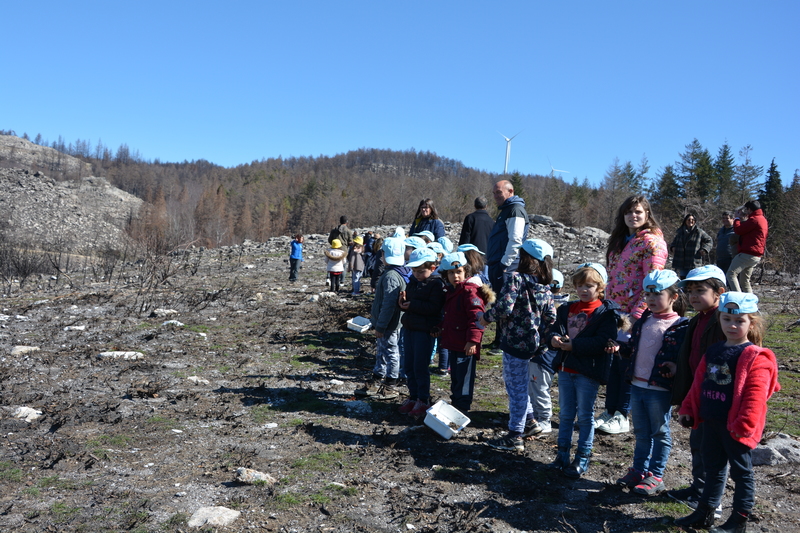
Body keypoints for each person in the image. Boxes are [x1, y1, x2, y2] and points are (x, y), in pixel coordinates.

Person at [675, 292, 780, 533]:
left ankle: (739, 520)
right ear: (719, 319)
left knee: (742, 473)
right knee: (713, 468)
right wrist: (688, 407)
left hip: (736, 427)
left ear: (750, 323)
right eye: (726, 319)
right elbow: (699, 383)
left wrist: (744, 425)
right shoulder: (714, 351)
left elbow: (756, 395)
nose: (732, 325)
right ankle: (705, 512)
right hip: (711, 421)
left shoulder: (756, 357)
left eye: (739, 321)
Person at [596, 195, 668, 435]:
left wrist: (637, 315)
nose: (633, 216)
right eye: (629, 212)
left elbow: (652, 283)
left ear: (647, 214)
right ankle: (609, 410)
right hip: (614, 310)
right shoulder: (620, 240)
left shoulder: (651, 243)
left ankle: (622, 415)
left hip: (634, 315)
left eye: (638, 212)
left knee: (627, 364)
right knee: (613, 363)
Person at [613, 270, 689, 496]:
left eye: (658, 295)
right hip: (637, 384)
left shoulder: (681, 325)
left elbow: (682, 359)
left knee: (659, 431)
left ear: (674, 297)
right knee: (642, 431)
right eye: (648, 295)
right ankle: (639, 470)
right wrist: (619, 348)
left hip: (659, 389)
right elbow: (633, 349)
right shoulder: (643, 321)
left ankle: (656, 475)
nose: (652, 300)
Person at [480, 239, 556, 452]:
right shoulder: (545, 285)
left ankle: (515, 436)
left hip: (515, 343)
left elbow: (504, 307)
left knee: (516, 389)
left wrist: (486, 317)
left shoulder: (515, 278)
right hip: (535, 345)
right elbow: (551, 317)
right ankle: (530, 422)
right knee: (522, 385)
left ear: (525, 257)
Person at [548, 263, 621, 478]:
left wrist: (574, 346)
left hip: (587, 372)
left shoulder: (605, 313)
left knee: (586, 416)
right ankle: (562, 455)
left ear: (600, 287)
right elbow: (553, 329)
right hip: (565, 367)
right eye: (579, 285)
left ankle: (582, 457)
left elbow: (602, 341)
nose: (583, 290)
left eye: (589, 285)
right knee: (566, 414)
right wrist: (552, 338)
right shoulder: (566, 309)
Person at [667, 265, 727, 517]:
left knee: (713, 450)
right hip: (695, 393)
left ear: (719, 292)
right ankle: (697, 488)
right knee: (697, 444)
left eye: (700, 290)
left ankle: (712, 500)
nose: (692, 296)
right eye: (690, 291)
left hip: (714, 397)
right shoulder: (697, 319)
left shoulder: (724, 320)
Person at [437, 252, 495, 413]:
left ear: (466, 271)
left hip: (465, 344)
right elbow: (450, 316)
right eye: (451, 273)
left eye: (459, 272)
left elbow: (477, 318)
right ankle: (455, 403)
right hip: (454, 342)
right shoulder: (452, 291)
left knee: (464, 377)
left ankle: (462, 407)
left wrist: (473, 341)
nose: (455, 276)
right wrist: (440, 328)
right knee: (456, 376)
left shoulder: (470, 292)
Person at [357, 237, 411, 401]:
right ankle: (378, 377)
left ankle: (391, 383)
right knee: (382, 351)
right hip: (389, 323)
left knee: (390, 352)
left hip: (389, 324)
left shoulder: (391, 277)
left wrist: (380, 325)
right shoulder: (401, 271)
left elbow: (388, 304)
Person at [397, 248, 446, 418]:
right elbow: (409, 303)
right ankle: (413, 396)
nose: (416, 274)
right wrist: (401, 302)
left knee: (420, 366)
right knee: (408, 365)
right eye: (414, 271)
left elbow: (434, 308)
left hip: (424, 331)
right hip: (410, 328)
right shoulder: (413, 282)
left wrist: (411, 305)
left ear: (432, 268)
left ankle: (423, 399)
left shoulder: (437, 284)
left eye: (420, 271)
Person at [486, 180, 529, 295]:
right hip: (498, 265)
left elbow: (515, 240)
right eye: (494, 193)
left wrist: (504, 265)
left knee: (504, 306)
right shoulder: (507, 210)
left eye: (499, 192)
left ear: (510, 191)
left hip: (506, 268)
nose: (495, 196)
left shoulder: (515, 210)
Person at [726, 200, 768, 294]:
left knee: (731, 274)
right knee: (744, 281)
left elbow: (739, 230)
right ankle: (751, 305)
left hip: (747, 253)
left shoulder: (754, 219)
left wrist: (736, 218)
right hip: (755, 255)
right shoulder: (762, 219)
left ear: (749, 209)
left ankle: (739, 300)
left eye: (746, 209)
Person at [670, 214, 712, 279]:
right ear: (685, 221)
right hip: (682, 261)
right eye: (688, 219)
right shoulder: (680, 232)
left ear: (695, 221)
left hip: (694, 261)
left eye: (693, 220)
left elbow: (709, 240)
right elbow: (674, 242)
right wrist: (673, 247)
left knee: (693, 280)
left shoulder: (699, 232)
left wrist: (704, 249)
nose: (691, 221)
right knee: (683, 280)